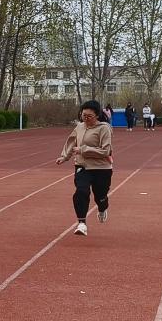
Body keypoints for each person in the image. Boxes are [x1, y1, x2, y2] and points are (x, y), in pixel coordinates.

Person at [56, 100, 113, 237]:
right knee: (81, 191)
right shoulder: (80, 127)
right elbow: (72, 142)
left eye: (89, 116)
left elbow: (106, 151)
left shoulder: (104, 128)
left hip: (101, 168)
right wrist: (64, 157)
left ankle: (102, 208)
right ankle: (82, 223)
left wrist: (83, 149)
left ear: (97, 115)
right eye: (83, 115)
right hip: (82, 166)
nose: (86, 118)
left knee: (100, 196)